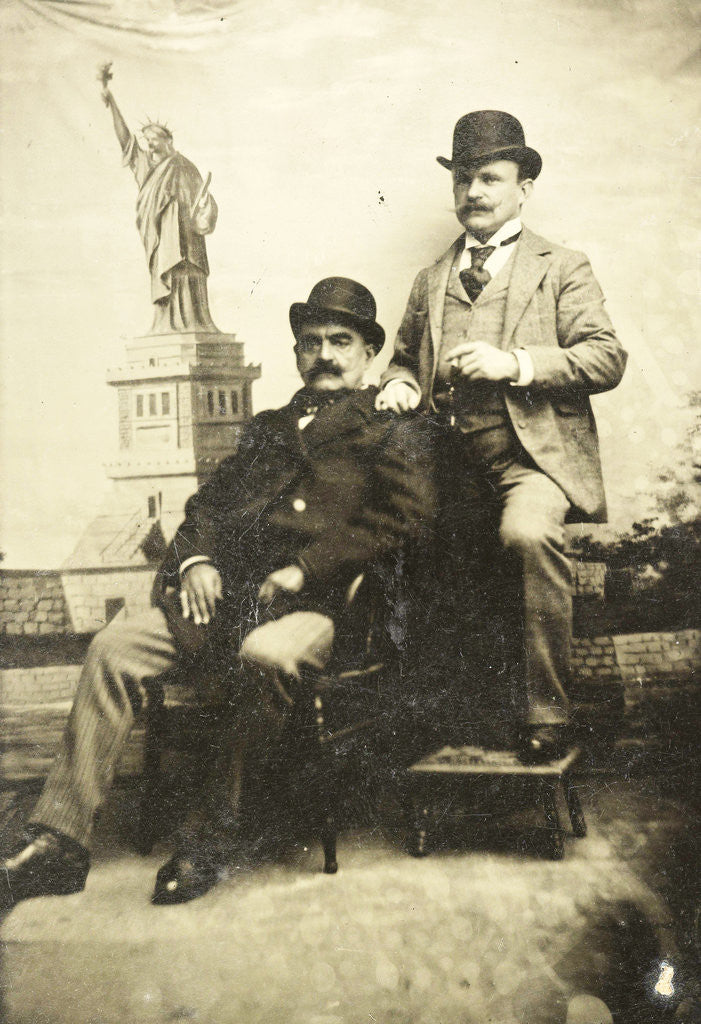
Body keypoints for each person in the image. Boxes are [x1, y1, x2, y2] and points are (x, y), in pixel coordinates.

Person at [1, 278, 435, 907]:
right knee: (115, 645)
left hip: (329, 606)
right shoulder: (267, 428)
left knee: (267, 655)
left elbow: (405, 521)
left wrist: (308, 567)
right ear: (295, 354)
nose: (325, 355)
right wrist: (197, 560)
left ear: (369, 353)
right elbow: (208, 503)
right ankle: (60, 840)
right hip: (231, 598)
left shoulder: (393, 431)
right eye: (310, 342)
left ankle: (212, 837)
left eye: (341, 341)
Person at [376, 110, 627, 762]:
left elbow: (605, 358)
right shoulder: (431, 280)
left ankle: (547, 713)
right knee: (388, 536)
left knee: (525, 534)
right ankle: (425, 715)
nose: (473, 193)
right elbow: (402, 357)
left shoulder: (561, 267)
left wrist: (514, 363)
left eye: (489, 177)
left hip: (528, 462)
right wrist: (399, 383)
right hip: (441, 462)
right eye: (462, 179)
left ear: (523, 186)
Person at [101, 80, 219, 333]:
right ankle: (167, 326)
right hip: (161, 240)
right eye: (147, 141)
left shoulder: (186, 167)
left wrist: (206, 209)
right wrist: (112, 103)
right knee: (168, 277)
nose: (150, 145)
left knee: (188, 278)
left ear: (168, 140)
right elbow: (126, 141)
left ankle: (196, 323)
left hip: (188, 242)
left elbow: (203, 202)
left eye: (154, 140)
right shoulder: (145, 166)